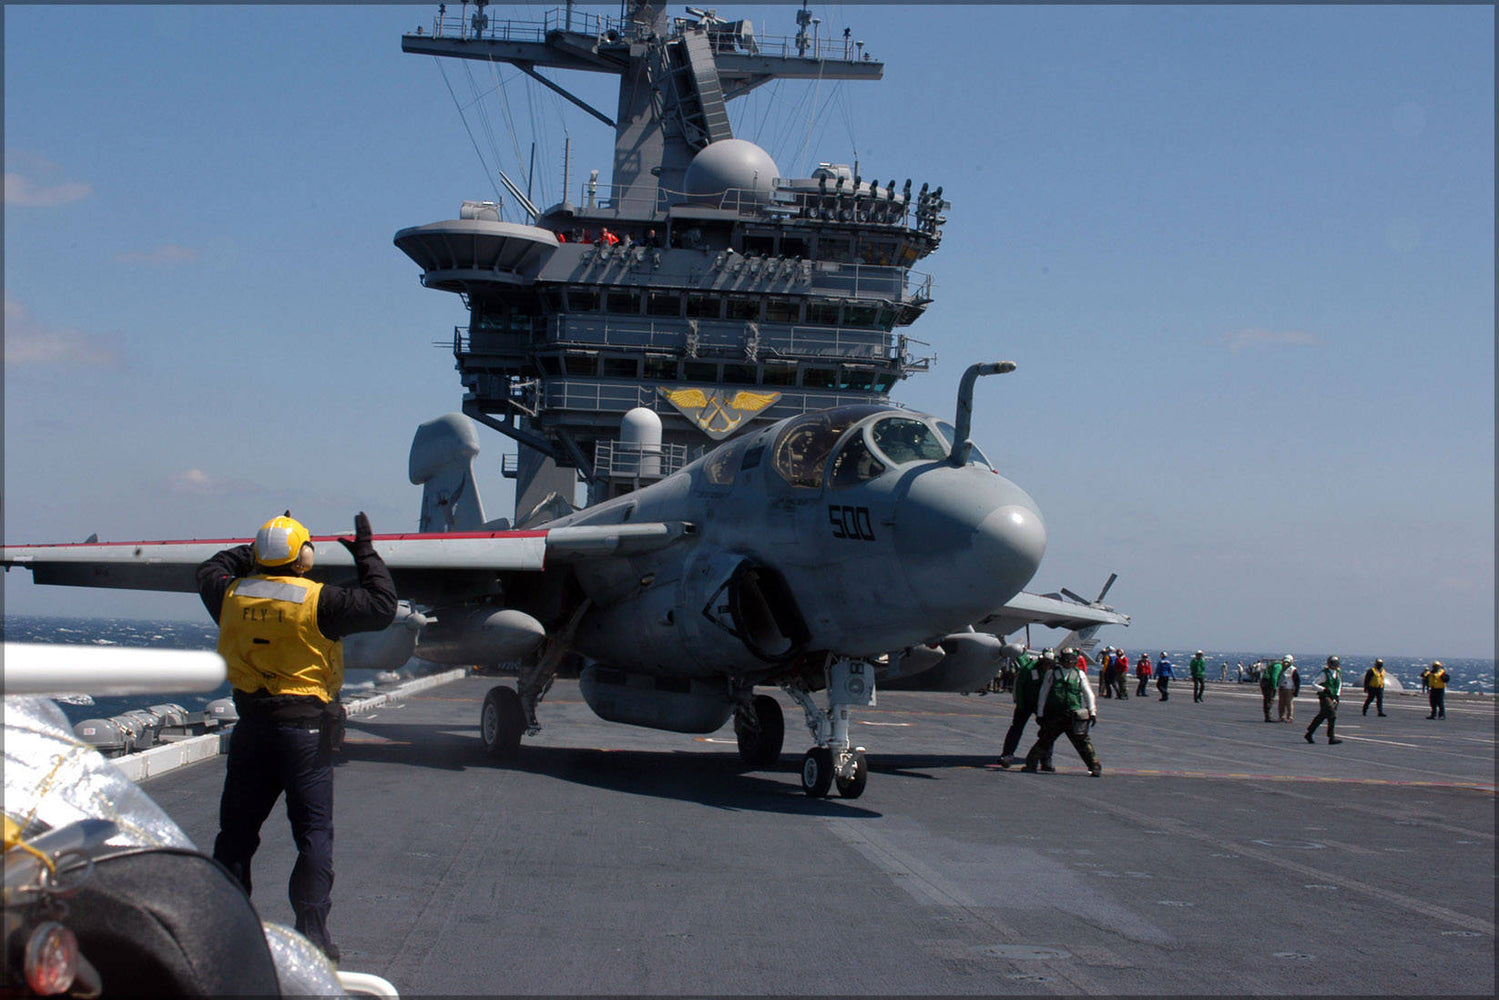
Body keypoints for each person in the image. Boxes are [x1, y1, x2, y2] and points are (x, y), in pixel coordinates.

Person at [197, 512, 397, 963]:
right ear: (304, 556)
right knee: (312, 835)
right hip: (305, 734)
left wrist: (252, 551)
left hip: (251, 731)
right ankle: (311, 932)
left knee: (236, 835)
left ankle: (229, 929)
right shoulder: (320, 601)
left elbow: (208, 568)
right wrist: (365, 551)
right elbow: (383, 606)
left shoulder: (229, 594)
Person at [1024, 647, 1101, 776]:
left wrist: (1092, 712)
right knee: (1044, 741)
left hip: (1073, 715)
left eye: (1071, 660)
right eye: (1067, 660)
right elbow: (1043, 693)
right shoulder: (1052, 674)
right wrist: (1040, 713)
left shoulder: (1079, 674)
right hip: (1055, 715)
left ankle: (1095, 767)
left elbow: (1088, 694)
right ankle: (1031, 764)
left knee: (1082, 743)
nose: (1069, 663)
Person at [998, 648, 1053, 770]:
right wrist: (1020, 703)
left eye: (1050, 663)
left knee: (1048, 732)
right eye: (1046, 663)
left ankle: (1046, 760)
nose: (1048, 666)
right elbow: (1019, 685)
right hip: (1026, 703)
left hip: (1042, 705)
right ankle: (1007, 754)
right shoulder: (1029, 669)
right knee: (1016, 728)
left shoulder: (1053, 671)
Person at [1305, 655, 1343, 745]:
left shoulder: (1338, 673)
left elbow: (1339, 685)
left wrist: (1337, 695)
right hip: (1325, 696)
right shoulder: (1324, 673)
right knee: (1332, 715)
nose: (1334, 665)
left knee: (1322, 715)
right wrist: (1323, 689)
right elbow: (1314, 684)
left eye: (1336, 663)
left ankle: (1309, 733)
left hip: (1334, 697)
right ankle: (1331, 737)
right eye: (1333, 663)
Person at [1277, 654, 1299, 723]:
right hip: (1281, 688)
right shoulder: (1281, 669)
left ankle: (1290, 717)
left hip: (1289, 689)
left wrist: (1296, 691)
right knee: (1281, 703)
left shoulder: (1293, 670)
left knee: (1289, 703)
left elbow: (1297, 681)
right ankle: (1281, 716)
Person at [1260, 657, 1282, 722]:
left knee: (1266, 699)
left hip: (1264, 681)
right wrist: (1275, 686)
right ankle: (1268, 716)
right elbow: (1274, 677)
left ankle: (1267, 716)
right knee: (1269, 699)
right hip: (1268, 683)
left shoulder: (1273, 664)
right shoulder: (1278, 666)